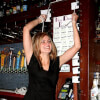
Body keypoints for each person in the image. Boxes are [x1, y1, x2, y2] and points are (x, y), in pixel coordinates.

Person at [23, 13, 81, 100]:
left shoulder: (56, 62)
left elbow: (77, 46)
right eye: (43, 41)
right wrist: (40, 19)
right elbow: (26, 29)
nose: (47, 44)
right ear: (37, 45)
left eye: (49, 41)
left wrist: (73, 22)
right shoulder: (32, 59)